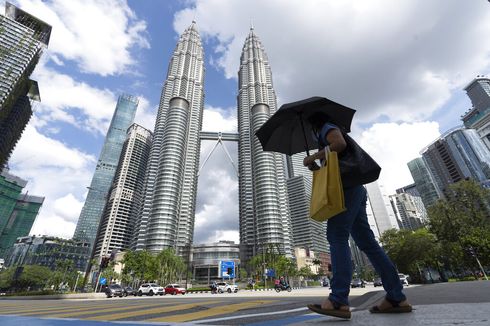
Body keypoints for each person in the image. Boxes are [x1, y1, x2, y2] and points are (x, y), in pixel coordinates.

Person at [303, 113, 412, 319]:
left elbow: (339, 144)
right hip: (354, 189)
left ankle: (338, 300)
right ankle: (396, 297)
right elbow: (334, 161)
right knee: (367, 243)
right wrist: (315, 164)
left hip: (346, 189)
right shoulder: (324, 135)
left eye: (310, 129)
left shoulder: (327, 126)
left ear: (313, 124)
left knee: (337, 236)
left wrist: (313, 156)